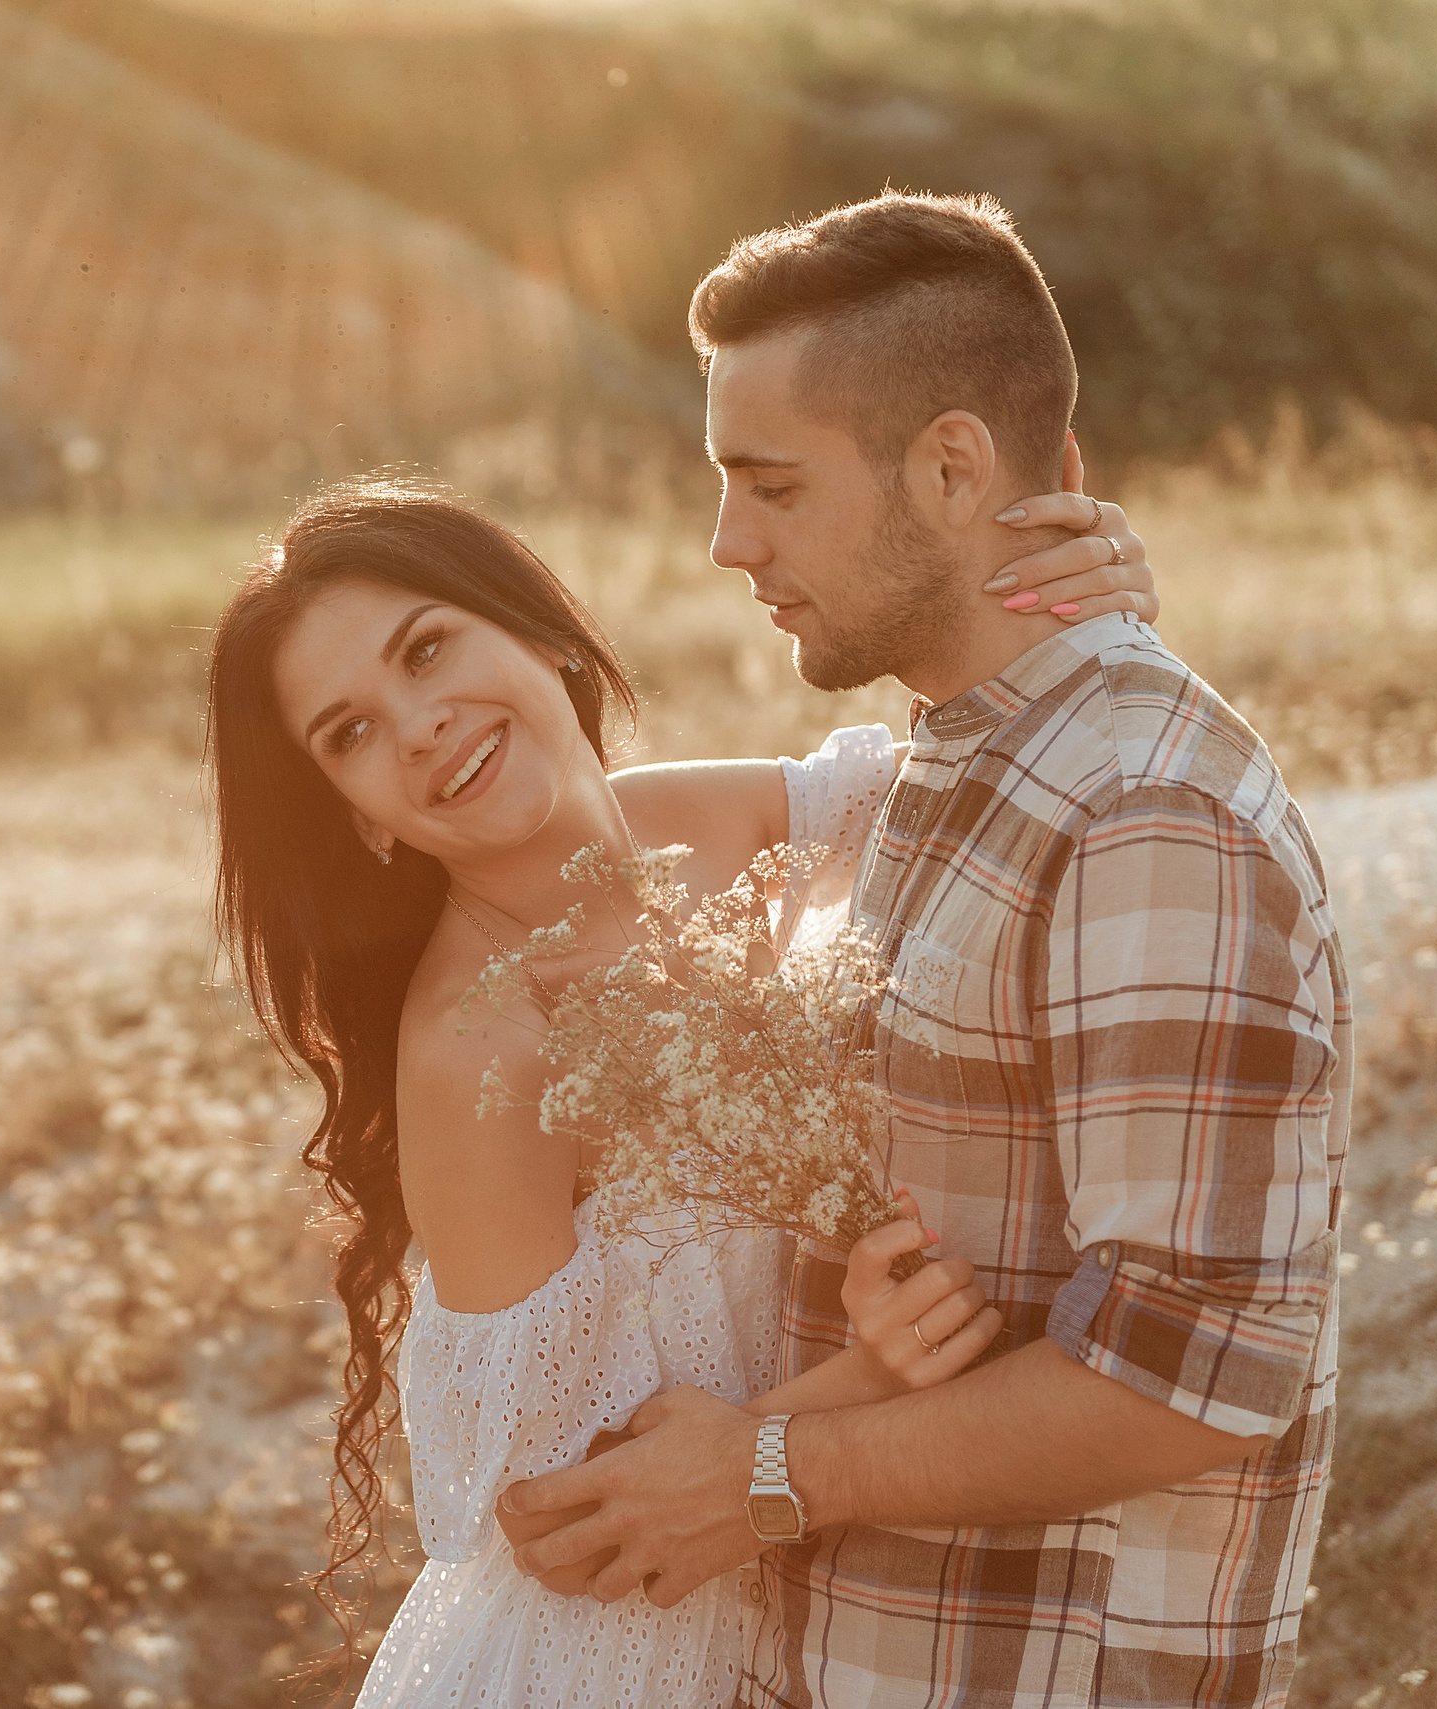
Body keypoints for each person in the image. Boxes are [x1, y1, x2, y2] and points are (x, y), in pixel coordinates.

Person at [500, 192, 1348, 1709]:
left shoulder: (1150, 814)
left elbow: (1191, 1382)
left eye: (769, 485)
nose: (724, 541)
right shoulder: (956, 764)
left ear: (954, 465)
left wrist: (757, 1474)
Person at [204, 451, 1160, 1702]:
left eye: (425, 651)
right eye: (351, 733)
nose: (417, 724)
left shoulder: (732, 819)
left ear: (541, 633)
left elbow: (1007, 778)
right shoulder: (478, 1055)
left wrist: (1092, 611)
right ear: (360, 818)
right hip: (627, 1663)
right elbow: (562, 1524)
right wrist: (869, 1375)